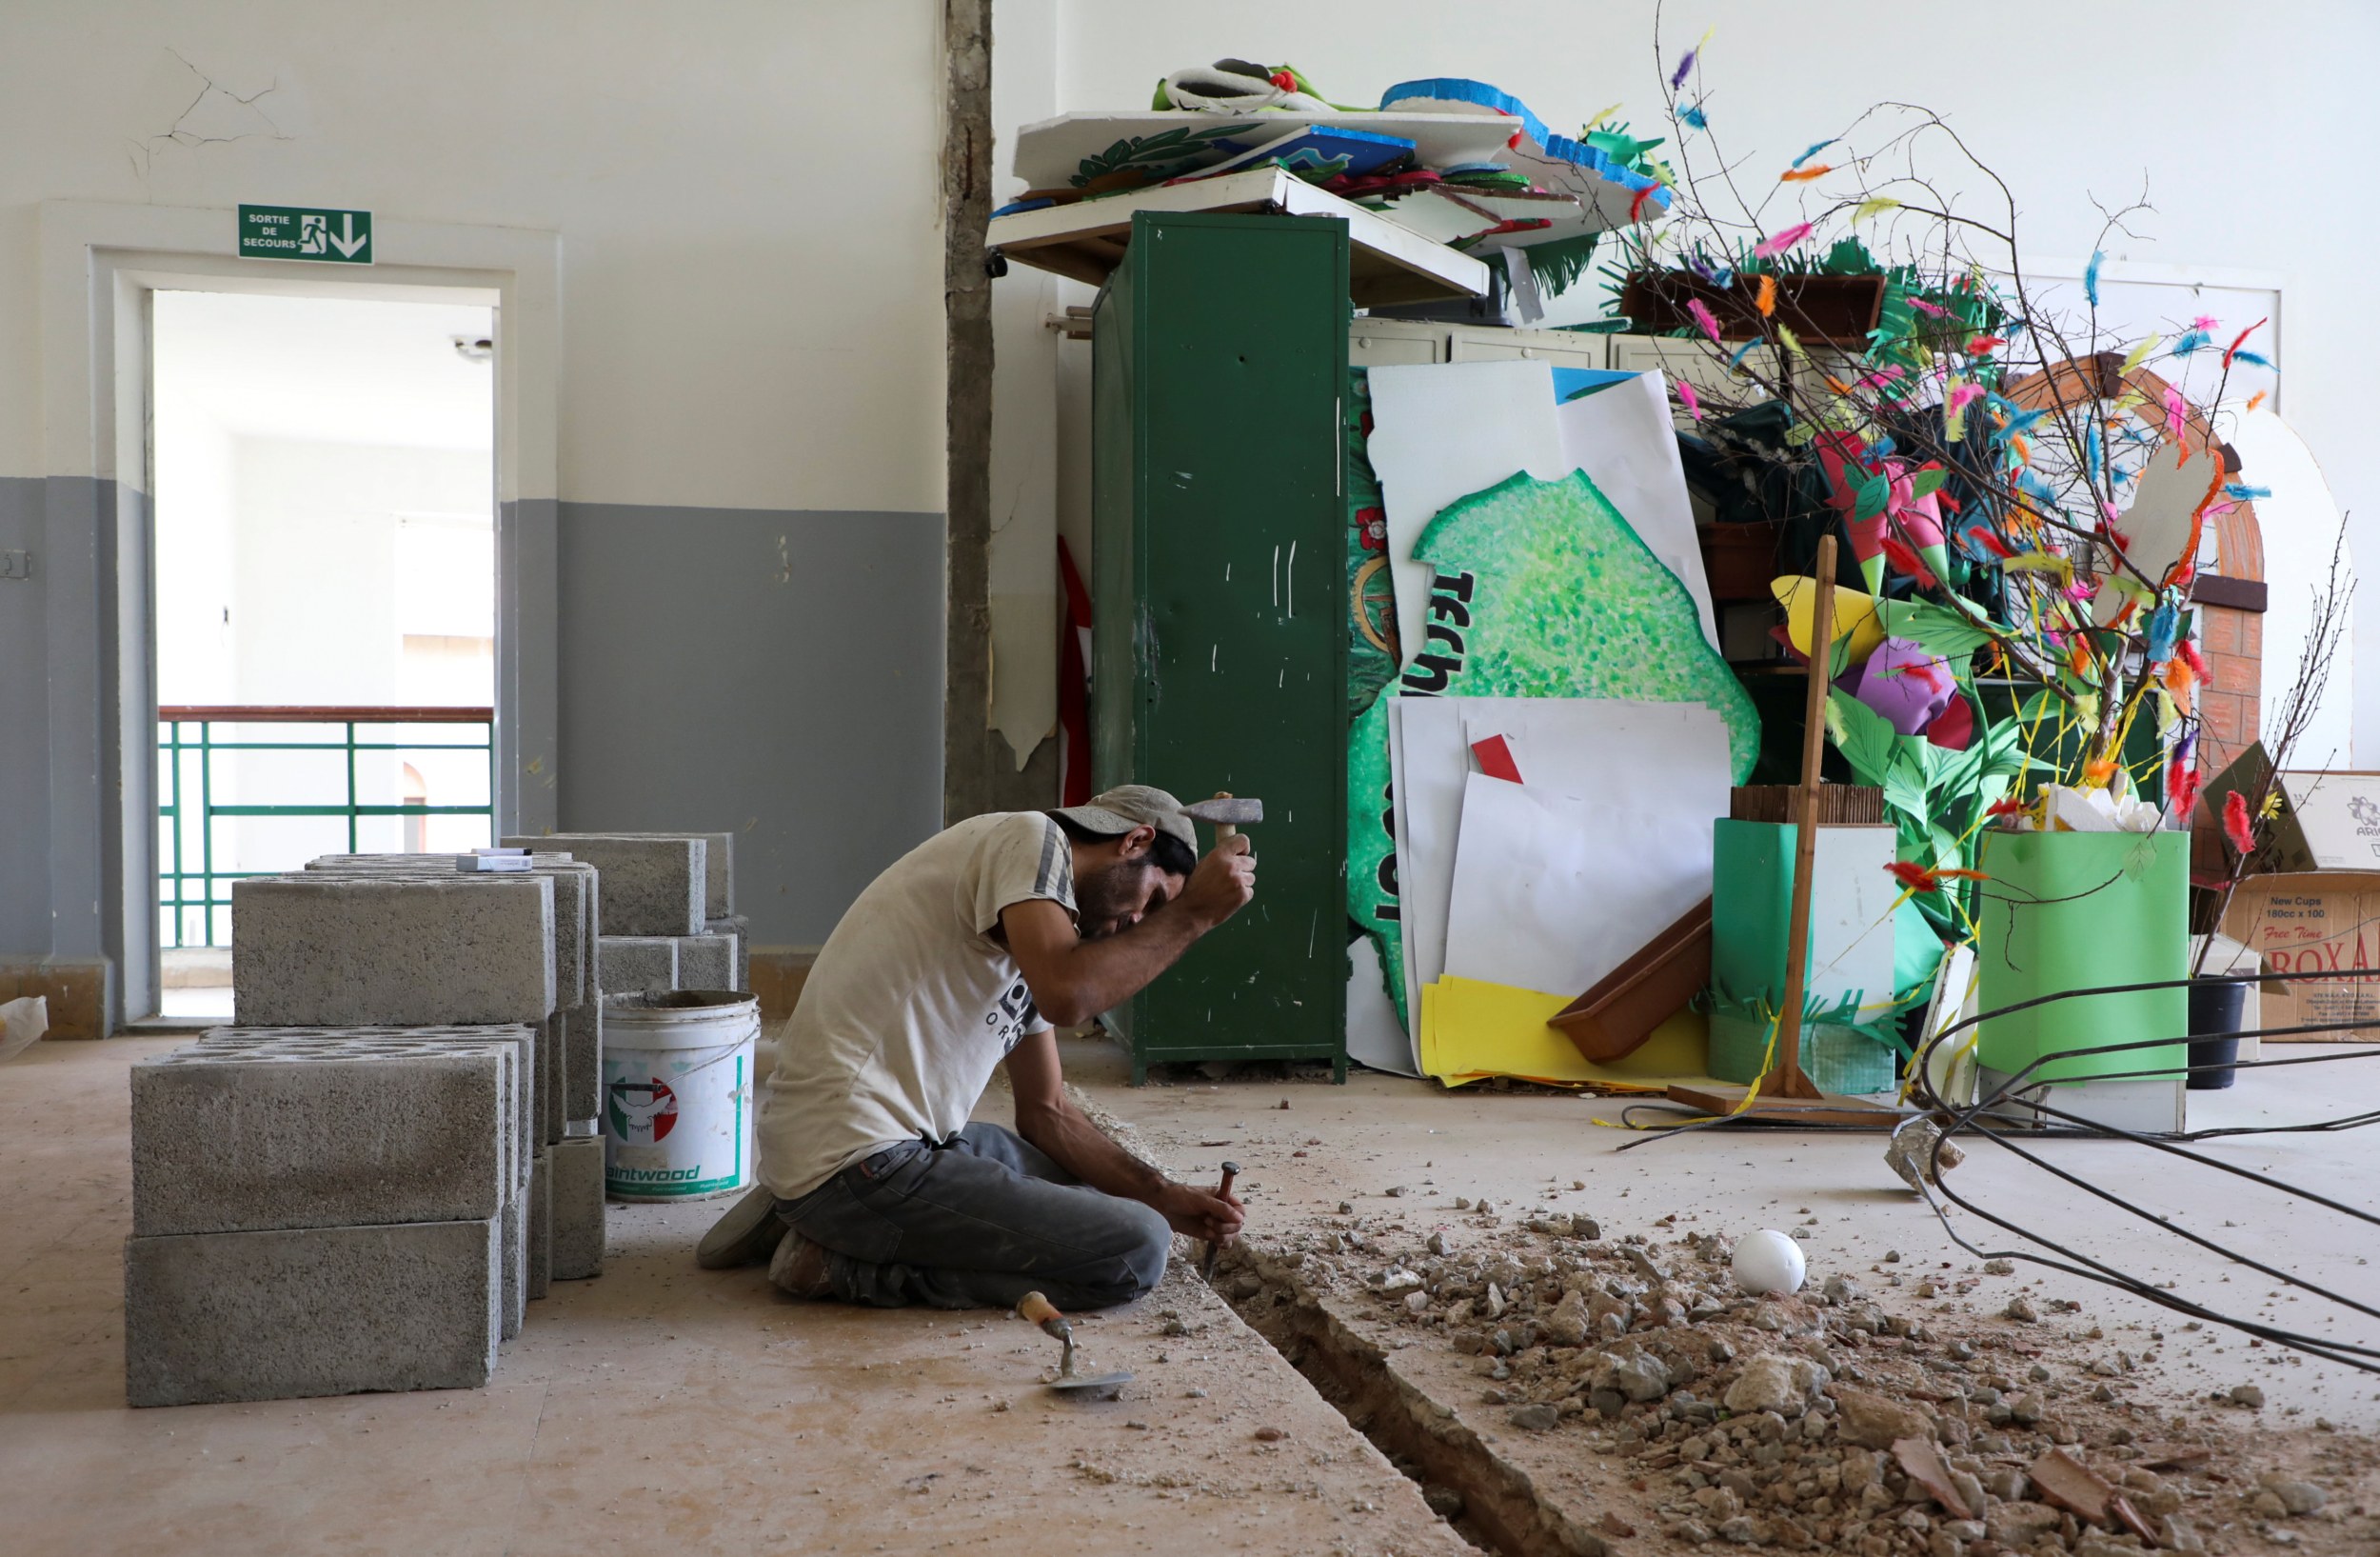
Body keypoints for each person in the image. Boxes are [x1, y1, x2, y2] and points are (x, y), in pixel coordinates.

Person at [696, 785, 1255, 1309]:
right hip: (863, 1165)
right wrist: (1195, 913)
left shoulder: (1041, 930)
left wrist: (1165, 1194)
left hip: (889, 1144)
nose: (1138, 923)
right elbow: (1068, 996)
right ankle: (837, 1263)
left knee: (1096, 1188)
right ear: (1134, 840)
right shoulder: (1031, 838)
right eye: (1152, 899)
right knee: (1137, 1249)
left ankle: (806, 1206)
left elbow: (1048, 1113)